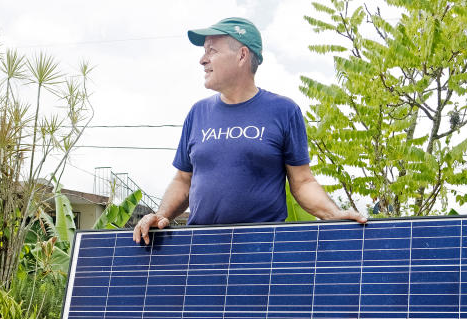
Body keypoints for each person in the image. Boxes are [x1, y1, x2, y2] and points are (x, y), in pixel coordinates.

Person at [133, 17, 367, 245]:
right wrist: (161, 214)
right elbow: (183, 180)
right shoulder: (197, 113)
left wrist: (333, 214)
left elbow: (302, 181)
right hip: (202, 250)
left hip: (262, 251)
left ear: (242, 55)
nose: (202, 60)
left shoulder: (284, 111)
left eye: (211, 50)